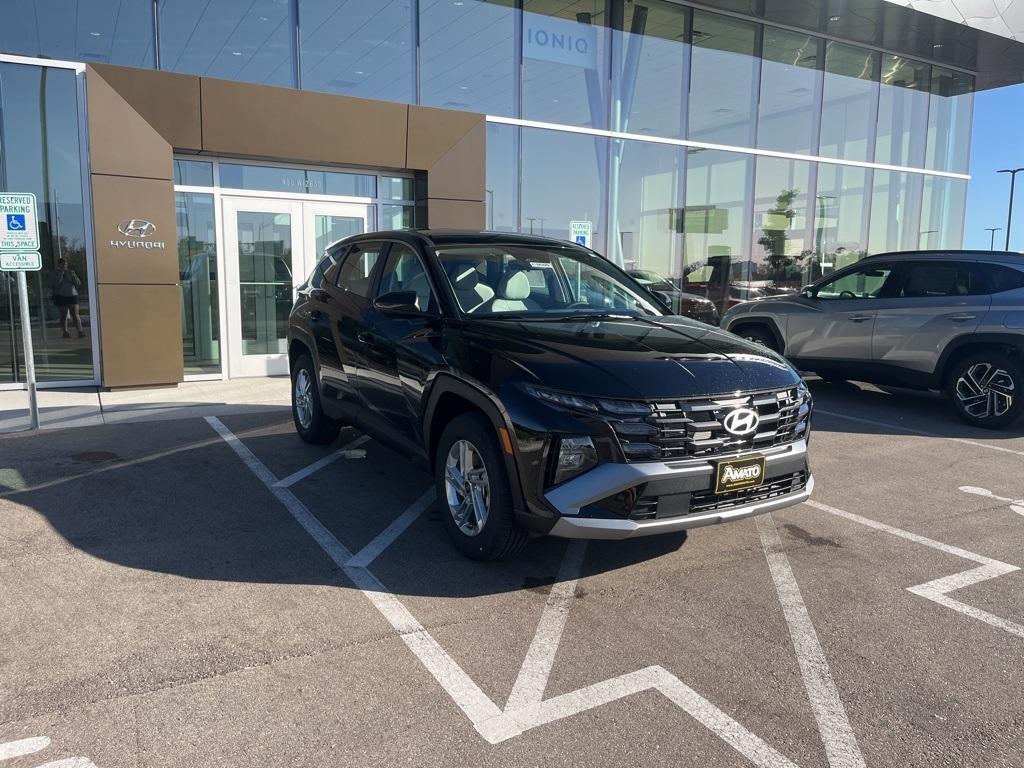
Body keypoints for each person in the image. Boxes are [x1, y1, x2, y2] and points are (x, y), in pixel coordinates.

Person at [52, 258, 84, 338]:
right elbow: (55, 284)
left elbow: (78, 283)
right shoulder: (56, 273)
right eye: (62, 265)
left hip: (72, 295)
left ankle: (80, 331)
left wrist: (73, 276)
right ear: (59, 265)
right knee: (64, 315)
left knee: (75, 314)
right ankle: (65, 332)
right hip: (61, 295)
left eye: (66, 265)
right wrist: (61, 275)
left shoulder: (71, 272)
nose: (64, 267)